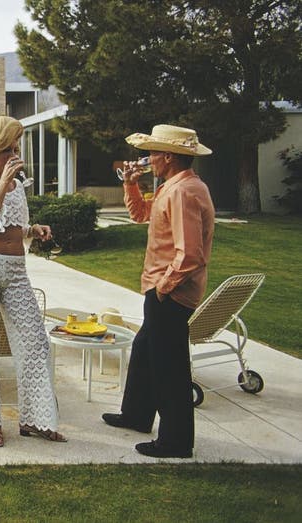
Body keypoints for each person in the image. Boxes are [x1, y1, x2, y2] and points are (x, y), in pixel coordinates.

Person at [102, 124, 214, 459]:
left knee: (170, 366)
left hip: (171, 290)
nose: (147, 158)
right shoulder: (172, 186)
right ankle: (136, 415)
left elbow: (190, 253)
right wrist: (130, 184)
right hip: (162, 286)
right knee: (144, 349)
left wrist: (163, 288)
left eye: (152, 152)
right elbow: (140, 215)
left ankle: (176, 441)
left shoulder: (183, 192)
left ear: (167, 156)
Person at [0, 116, 65, 447]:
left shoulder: (19, 187)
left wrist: (34, 231)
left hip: (17, 270)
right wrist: (2, 184)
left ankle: (35, 420)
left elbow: (14, 227)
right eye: (9, 148)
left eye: (16, 147)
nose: (15, 154)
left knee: (36, 343)